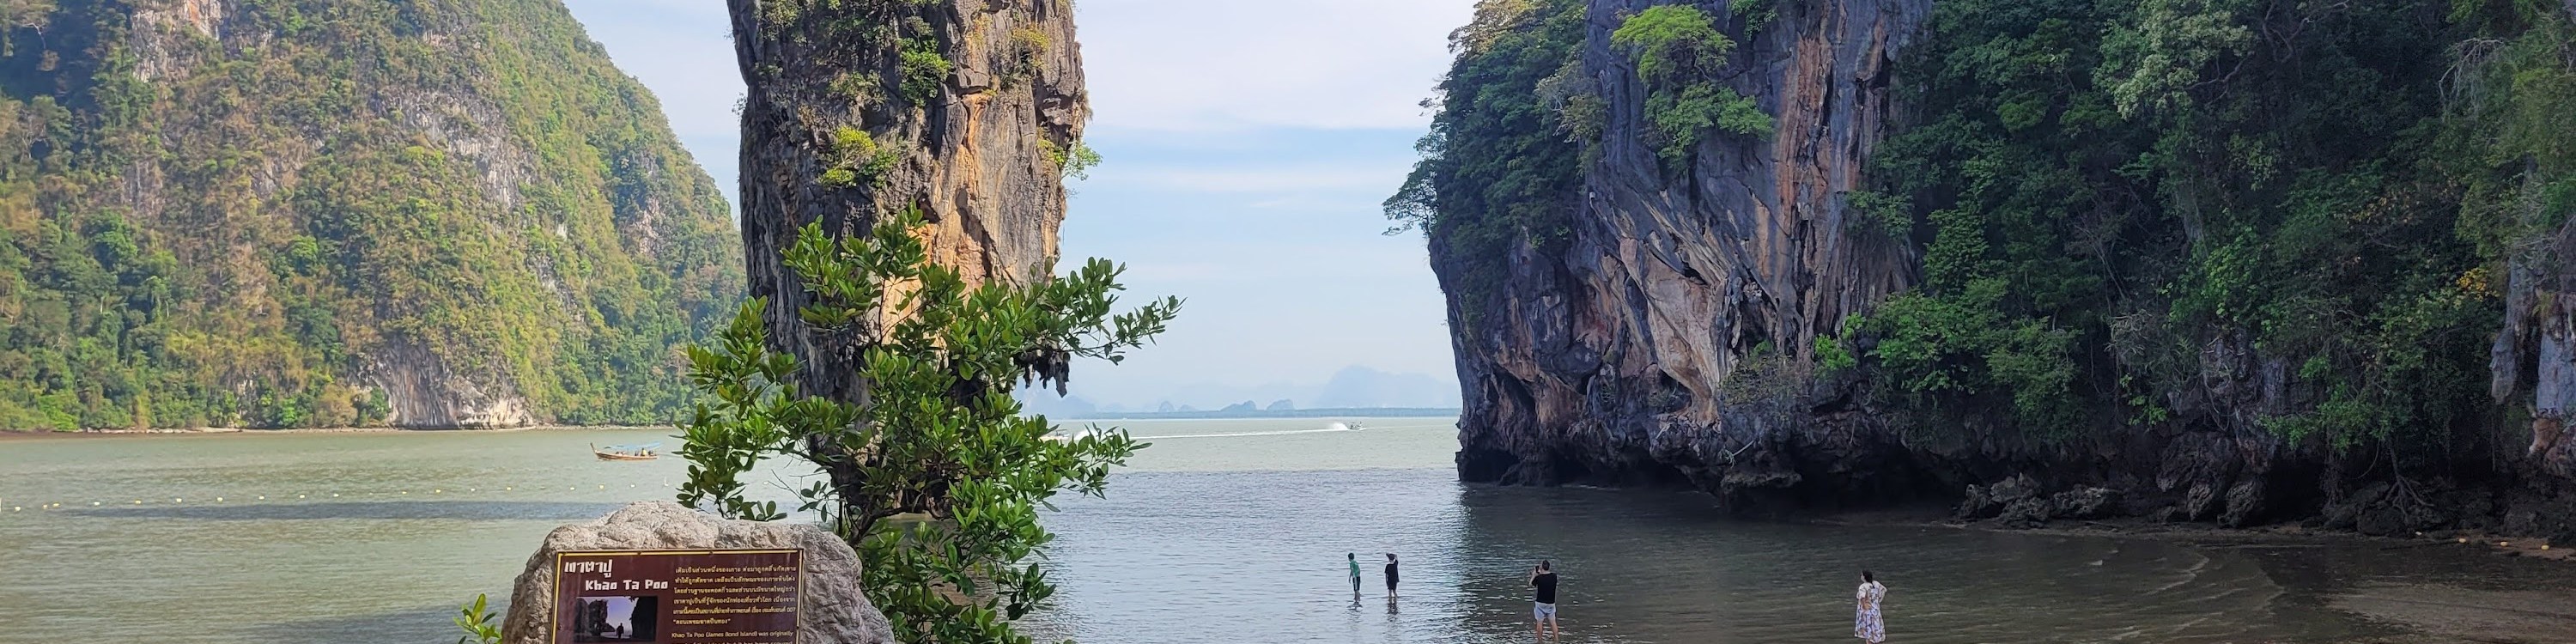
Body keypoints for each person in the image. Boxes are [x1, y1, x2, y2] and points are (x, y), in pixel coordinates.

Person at [1529, 560, 1560, 640]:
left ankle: (1539, 640)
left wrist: (1534, 575)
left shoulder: (1538, 578)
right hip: (1551, 603)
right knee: (1553, 622)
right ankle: (1557, 639)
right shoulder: (1554, 576)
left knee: (1540, 623)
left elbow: (1531, 584)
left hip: (1540, 603)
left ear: (1542, 567)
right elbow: (1547, 578)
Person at [1855, 570, 1887, 643]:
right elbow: (1884, 590)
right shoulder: (1876, 584)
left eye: (1862, 575)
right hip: (1875, 609)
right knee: (1875, 627)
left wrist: (1864, 607)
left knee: (1868, 629)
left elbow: (1862, 597)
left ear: (1864, 577)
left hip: (1867, 611)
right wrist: (1879, 600)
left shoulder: (1863, 586)